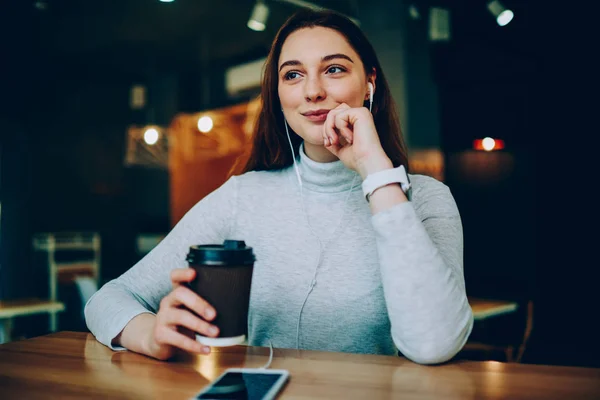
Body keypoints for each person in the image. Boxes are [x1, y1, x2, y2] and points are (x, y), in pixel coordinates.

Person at [85, 9, 473, 365]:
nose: (312, 91)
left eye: (334, 69)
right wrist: (150, 335)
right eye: (293, 74)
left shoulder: (423, 198)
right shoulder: (243, 196)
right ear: (279, 95)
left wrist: (375, 170)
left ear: (369, 83)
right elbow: (106, 301)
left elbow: (434, 344)